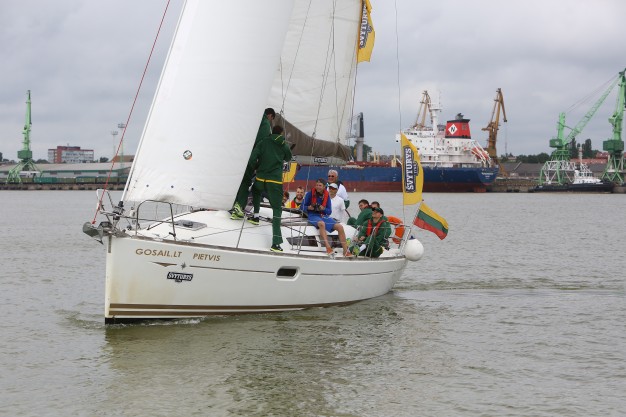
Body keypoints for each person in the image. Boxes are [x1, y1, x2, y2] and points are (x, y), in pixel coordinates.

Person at [248, 125, 292, 252]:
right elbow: (288, 158)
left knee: (256, 191)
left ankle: (256, 216)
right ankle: (276, 243)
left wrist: (254, 168)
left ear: (272, 132)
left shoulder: (263, 142)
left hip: (261, 177)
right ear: (281, 133)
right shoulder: (284, 144)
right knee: (277, 209)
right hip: (274, 181)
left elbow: (253, 157)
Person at [231, 108, 276, 219]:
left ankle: (232, 205)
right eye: (271, 119)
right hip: (250, 158)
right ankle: (238, 207)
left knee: (236, 180)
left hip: (236, 154)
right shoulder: (265, 124)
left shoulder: (252, 117)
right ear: (270, 115)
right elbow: (262, 144)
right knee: (246, 182)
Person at [302, 179, 352, 257]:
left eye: (320, 185)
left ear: (324, 187)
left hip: (323, 215)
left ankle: (345, 251)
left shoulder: (326, 195)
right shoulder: (309, 194)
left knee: (340, 227)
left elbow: (329, 211)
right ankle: (328, 248)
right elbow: (301, 207)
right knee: (321, 224)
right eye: (317, 185)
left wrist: (323, 209)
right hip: (313, 215)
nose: (318, 187)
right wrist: (309, 207)